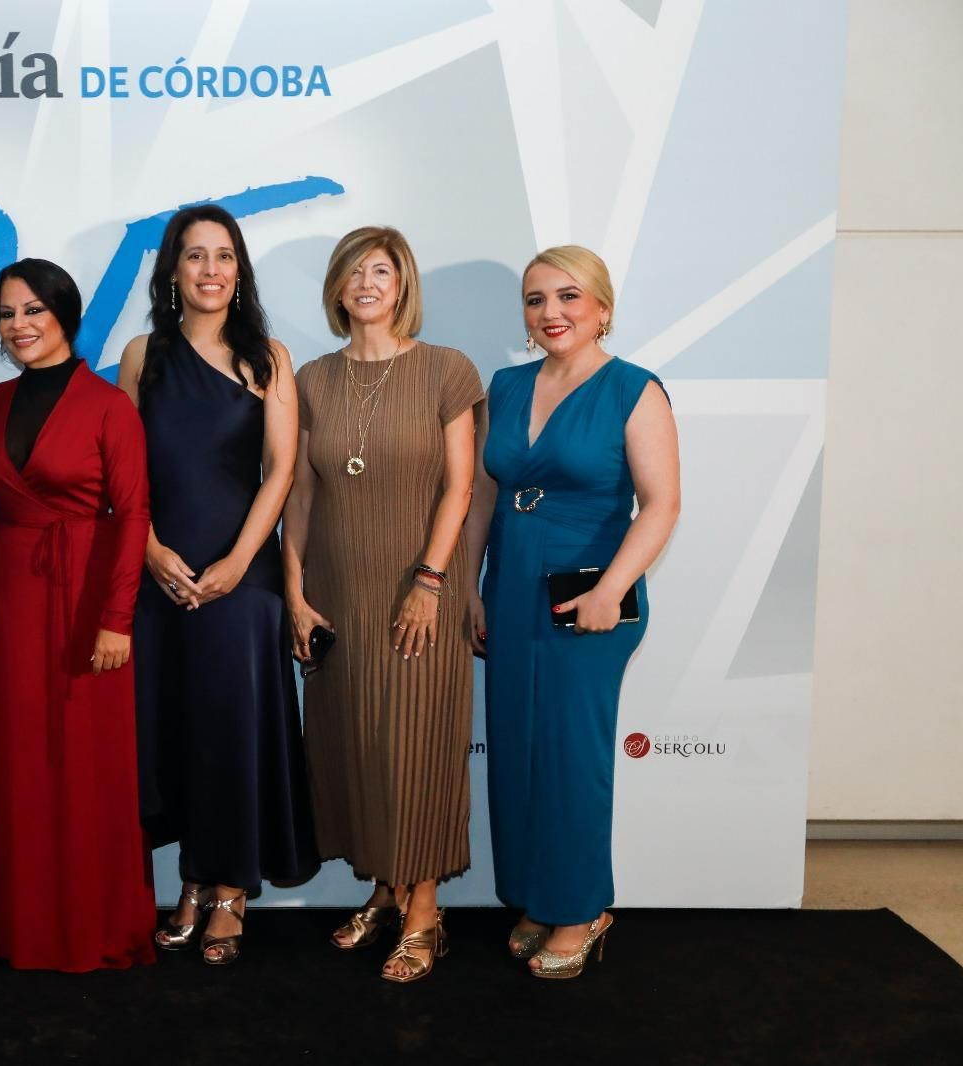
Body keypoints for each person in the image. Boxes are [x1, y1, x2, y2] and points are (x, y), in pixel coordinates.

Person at [464, 245, 680, 979]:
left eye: (568, 297)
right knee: (520, 751)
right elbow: (485, 495)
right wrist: (469, 583)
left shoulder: (634, 389)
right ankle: (538, 895)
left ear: (602, 308)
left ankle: (582, 909)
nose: (550, 312)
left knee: (569, 758)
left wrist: (611, 591)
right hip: (511, 581)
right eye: (535, 300)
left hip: (589, 591)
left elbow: (661, 505)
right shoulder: (506, 384)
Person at [118, 206, 320, 966]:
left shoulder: (270, 356)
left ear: (240, 270)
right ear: (172, 270)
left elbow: (282, 470)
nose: (210, 270)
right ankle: (190, 881)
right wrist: (148, 550)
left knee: (230, 725)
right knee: (172, 729)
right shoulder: (143, 355)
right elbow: (123, 471)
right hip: (158, 568)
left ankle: (229, 887)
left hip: (243, 570)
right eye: (195, 257)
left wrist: (239, 563)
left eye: (224, 256)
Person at [0, 258, 156, 972]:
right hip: (7, 595)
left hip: (86, 598)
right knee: (13, 759)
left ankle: (86, 926)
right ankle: (10, 924)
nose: (19, 325)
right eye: (6, 314)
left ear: (64, 312)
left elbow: (132, 517)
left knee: (81, 763)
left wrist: (117, 618)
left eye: (33, 309)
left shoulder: (107, 406)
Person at [283, 226, 483, 983]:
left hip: (417, 590)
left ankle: (425, 909)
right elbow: (301, 489)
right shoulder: (312, 378)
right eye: (355, 271)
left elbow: (460, 487)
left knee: (417, 749)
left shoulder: (446, 370)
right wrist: (296, 590)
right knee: (357, 747)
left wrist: (430, 582)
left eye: (383, 270)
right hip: (338, 592)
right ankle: (385, 889)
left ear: (402, 285)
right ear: (337, 287)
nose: (368, 282)